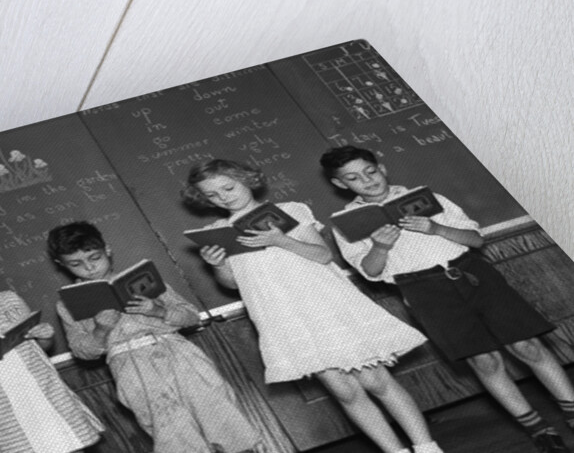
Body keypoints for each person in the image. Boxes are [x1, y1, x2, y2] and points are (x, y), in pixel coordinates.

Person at [320, 145, 574, 453]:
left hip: (473, 274)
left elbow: (476, 239)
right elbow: (370, 272)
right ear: (340, 184)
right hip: (423, 290)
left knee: (527, 346)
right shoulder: (347, 222)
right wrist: (380, 247)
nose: (368, 180)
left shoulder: (429, 198)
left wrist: (435, 227)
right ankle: (536, 427)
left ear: (382, 168)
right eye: (354, 178)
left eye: (370, 171)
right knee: (484, 360)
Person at [183, 158, 445, 453]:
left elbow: (322, 256)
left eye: (228, 187)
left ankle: (426, 447)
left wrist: (280, 240)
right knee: (344, 392)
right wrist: (217, 266)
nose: (224, 197)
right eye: (213, 195)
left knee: (376, 380)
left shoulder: (290, 211)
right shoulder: (220, 231)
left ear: (245, 179)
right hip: (283, 317)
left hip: (324, 305)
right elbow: (232, 283)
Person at [47, 221, 264, 453]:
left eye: (95, 258)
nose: (89, 268)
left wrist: (159, 311)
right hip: (129, 366)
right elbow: (82, 351)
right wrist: (101, 330)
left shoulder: (144, 278)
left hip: (178, 353)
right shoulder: (68, 303)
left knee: (222, 415)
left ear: (107, 250)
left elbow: (192, 317)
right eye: (76, 264)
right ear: (62, 265)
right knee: (171, 432)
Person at [0, 241, 104, 453]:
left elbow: (40, 348)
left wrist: (45, 336)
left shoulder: (8, 300)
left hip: (40, 390)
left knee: (67, 441)